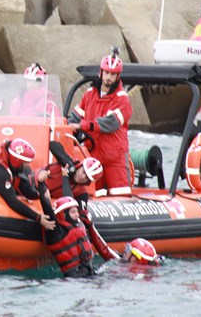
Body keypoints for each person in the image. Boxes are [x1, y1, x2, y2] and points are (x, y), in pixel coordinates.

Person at [67, 49, 133, 196]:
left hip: (114, 158)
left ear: (118, 76)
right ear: (101, 72)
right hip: (93, 156)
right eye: (107, 73)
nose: (109, 77)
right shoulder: (90, 94)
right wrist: (64, 125)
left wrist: (82, 125)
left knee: (120, 195)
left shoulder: (122, 99)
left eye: (113, 74)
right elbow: (76, 116)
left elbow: (110, 124)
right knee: (95, 195)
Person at [46, 141, 120, 262]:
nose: (82, 177)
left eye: (87, 177)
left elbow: (68, 205)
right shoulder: (69, 163)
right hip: (30, 187)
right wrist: (67, 164)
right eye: (83, 172)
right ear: (80, 167)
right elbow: (53, 145)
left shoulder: (82, 195)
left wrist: (65, 178)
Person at [36, 170, 96, 277]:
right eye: (73, 212)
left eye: (77, 211)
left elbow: (69, 198)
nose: (77, 215)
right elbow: (47, 209)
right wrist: (41, 184)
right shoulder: (56, 232)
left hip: (89, 272)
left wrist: (65, 177)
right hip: (74, 278)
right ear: (63, 214)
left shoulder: (76, 224)